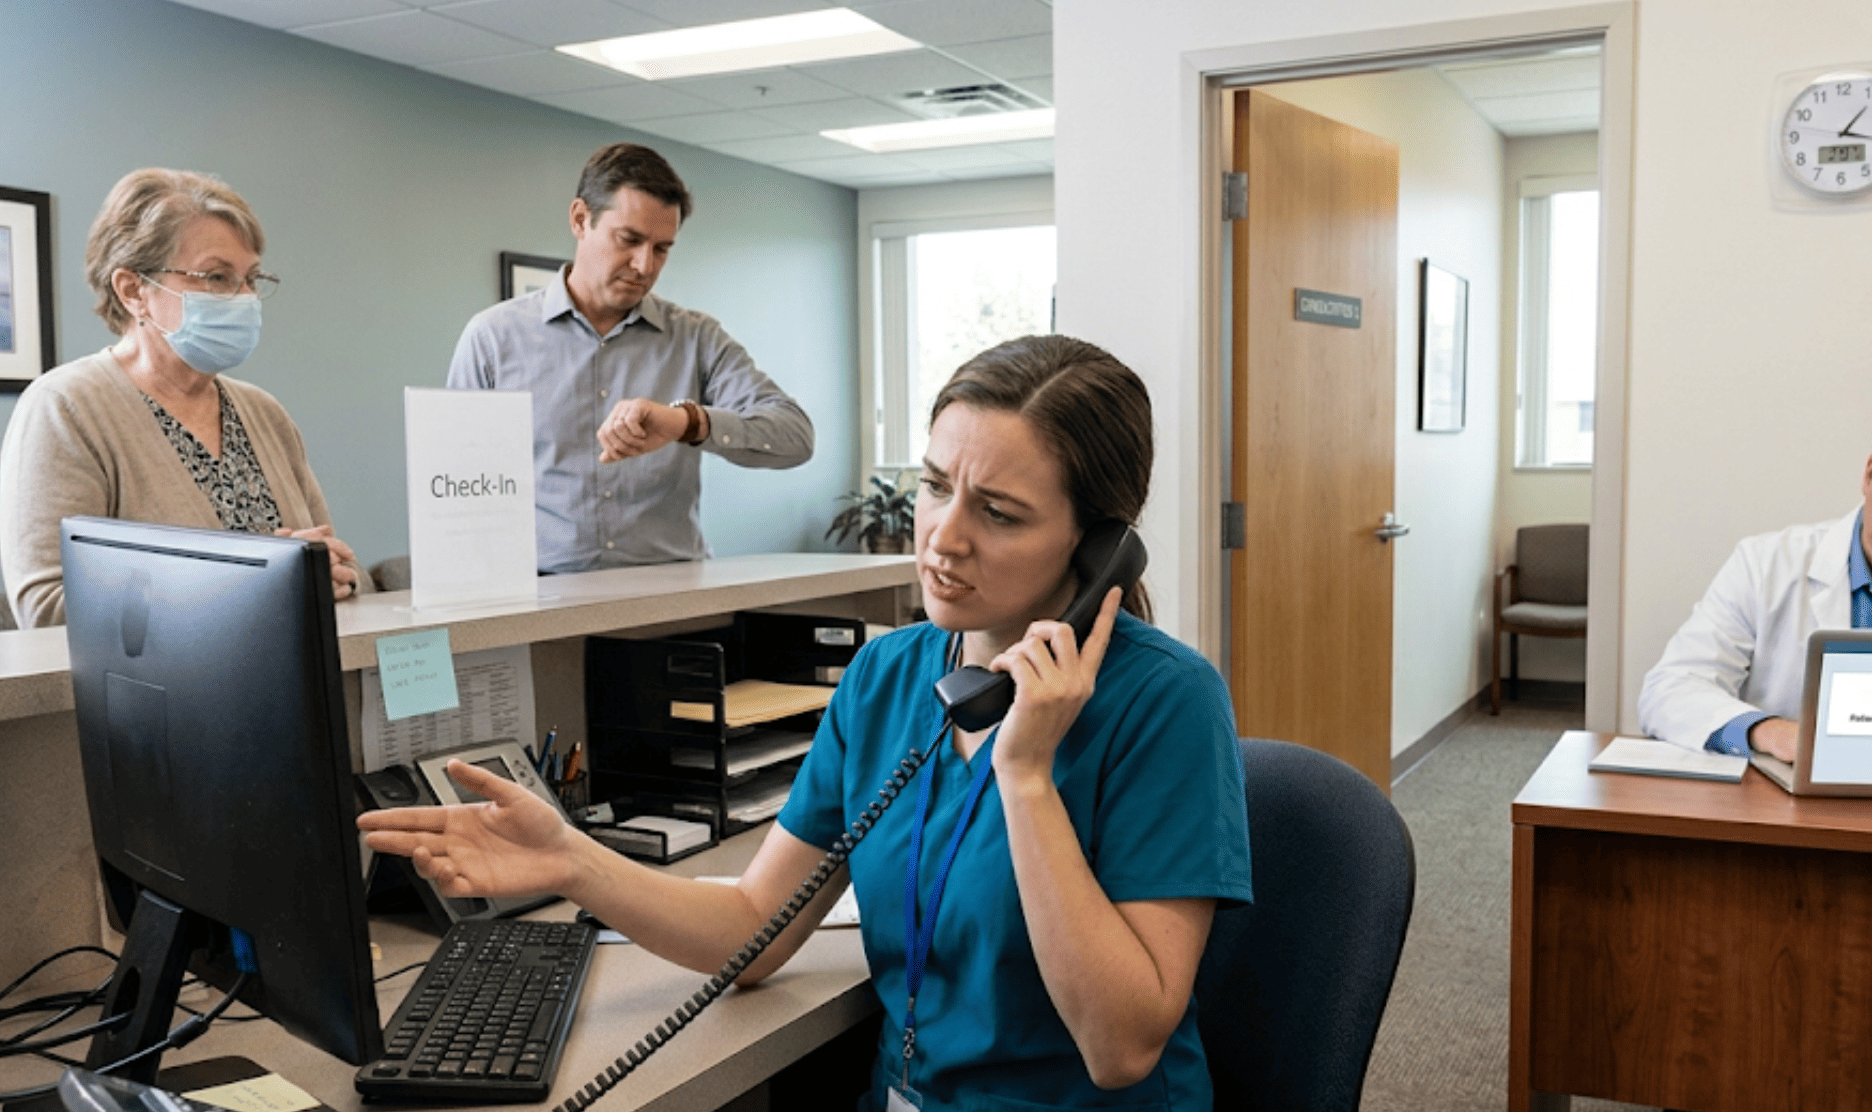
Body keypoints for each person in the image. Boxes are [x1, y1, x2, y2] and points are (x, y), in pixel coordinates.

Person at [362, 335, 1253, 1111]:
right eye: (937, 486)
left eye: (1000, 512)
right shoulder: (885, 677)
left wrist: (1024, 776)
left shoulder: (1165, 702)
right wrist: (571, 857)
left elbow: (1121, 1048)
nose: (943, 537)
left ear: (1097, 546)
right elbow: (755, 927)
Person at [0, 168, 365, 629]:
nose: (244, 298)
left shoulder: (265, 414)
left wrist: (339, 577)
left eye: (251, 278)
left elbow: (339, 568)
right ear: (134, 291)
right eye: (216, 277)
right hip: (159, 702)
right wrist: (255, 586)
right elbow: (48, 609)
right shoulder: (66, 408)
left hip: (295, 697)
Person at [446, 143, 813, 573]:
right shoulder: (492, 338)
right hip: (542, 604)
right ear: (581, 219)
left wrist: (687, 422)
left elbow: (796, 437)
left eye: (662, 249)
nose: (644, 265)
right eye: (630, 240)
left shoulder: (697, 338)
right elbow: (456, 492)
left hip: (671, 604)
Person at [1640, 395, 1872, 761]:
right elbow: (1669, 690)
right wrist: (1771, 733)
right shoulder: (1767, 563)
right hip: (1783, 803)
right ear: (1869, 472)